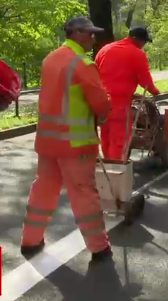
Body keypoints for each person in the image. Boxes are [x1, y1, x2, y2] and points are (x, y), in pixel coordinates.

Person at [20, 16, 113, 263]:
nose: (93, 39)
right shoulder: (82, 64)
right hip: (75, 145)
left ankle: (30, 241)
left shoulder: (51, 58)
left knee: (42, 191)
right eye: (90, 34)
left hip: (48, 142)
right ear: (78, 33)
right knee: (84, 195)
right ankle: (99, 248)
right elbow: (100, 103)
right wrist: (104, 113)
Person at [95, 26, 160, 161]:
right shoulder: (137, 54)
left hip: (101, 103)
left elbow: (93, 73)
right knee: (119, 140)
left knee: (106, 137)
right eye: (144, 42)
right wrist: (155, 91)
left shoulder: (105, 49)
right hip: (119, 105)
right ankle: (116, 172)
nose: (143, 45)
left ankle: (107, 165)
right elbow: (145, 80)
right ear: (137, 39)